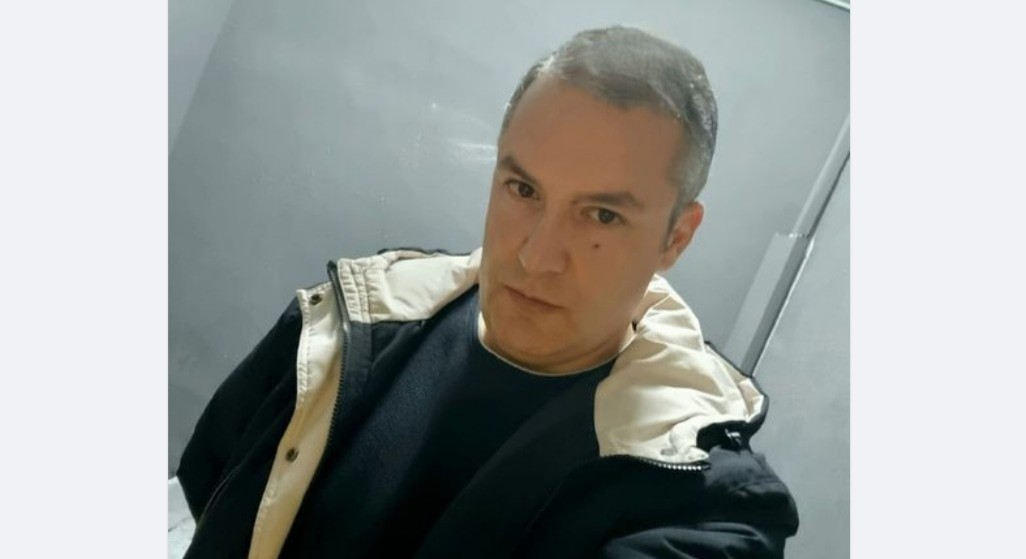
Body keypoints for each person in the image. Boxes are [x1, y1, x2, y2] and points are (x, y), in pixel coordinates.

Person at [177, 26, 799, 558]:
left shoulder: (706, 507)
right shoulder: (341, 329)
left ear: (676, 238)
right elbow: (214, 495)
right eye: (523, 190)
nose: (536, 257)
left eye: (602, 216)